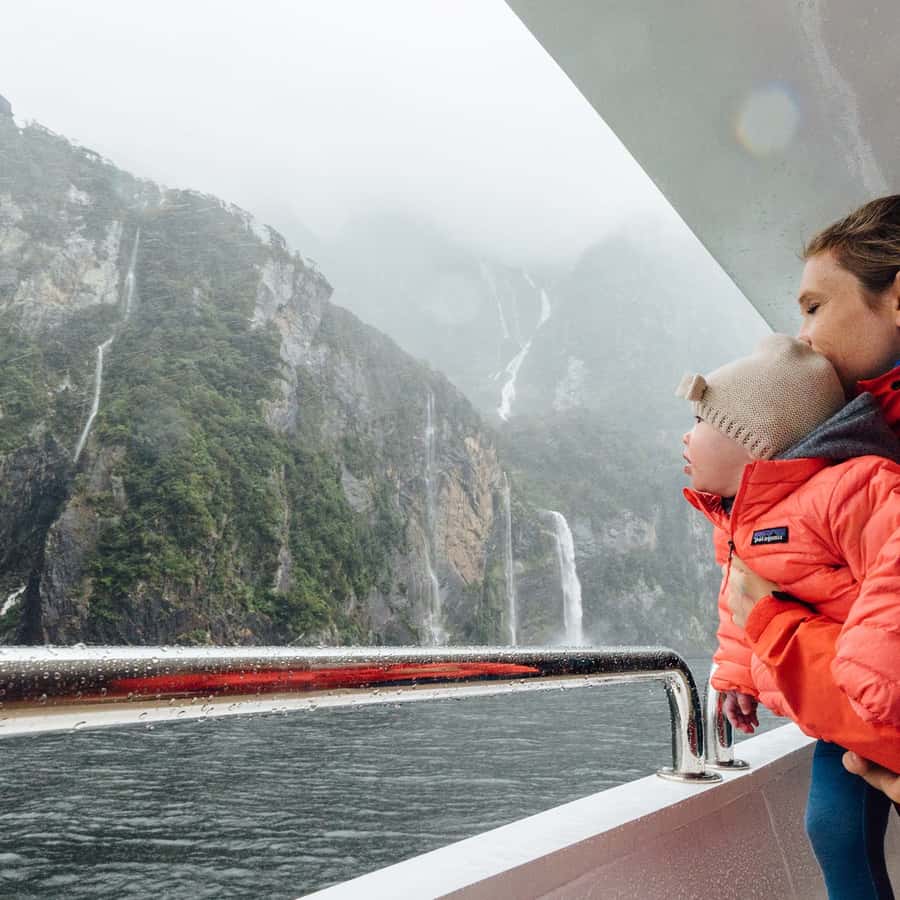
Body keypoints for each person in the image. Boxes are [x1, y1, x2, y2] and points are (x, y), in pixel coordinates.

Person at [677, 332, 900, 899]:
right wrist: (736, 675)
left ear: (755, 438)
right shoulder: (737, 523)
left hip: (876, 705)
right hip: (834, 717)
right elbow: (738, 606)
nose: (685, 436)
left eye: (701, 421)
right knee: (832, 830)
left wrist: (877, 677)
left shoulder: (851, 489)